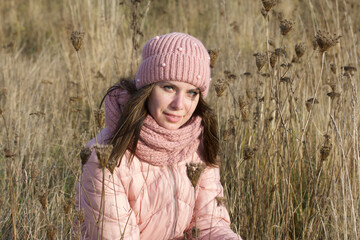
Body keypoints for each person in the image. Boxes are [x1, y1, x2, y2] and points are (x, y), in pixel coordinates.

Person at [75, 32, 241, 240]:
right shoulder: (104, 158)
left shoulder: (197, 144)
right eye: (169, 87)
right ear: (148, 89)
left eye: (192, 93)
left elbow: (209, 224)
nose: (179, 105)